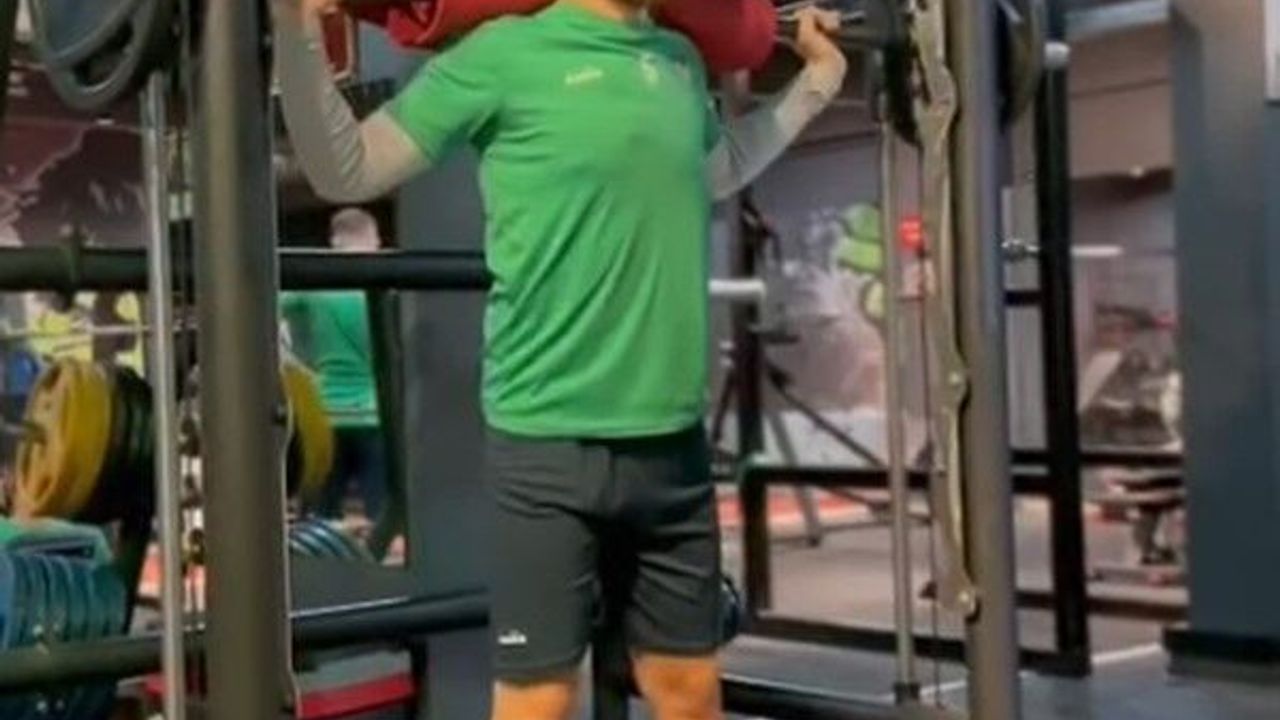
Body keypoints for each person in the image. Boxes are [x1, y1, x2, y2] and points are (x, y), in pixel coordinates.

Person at [273, 0, 847, 717]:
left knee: (689, 694)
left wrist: (816, 82)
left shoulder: (675, 60)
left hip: (671, 448)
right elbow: (348, 170)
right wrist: (296, 30)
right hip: (547, 449)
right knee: (538, 699)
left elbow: (717, 167)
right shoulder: (500, 55)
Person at [280, 208, 387, 522]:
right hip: (374, 416)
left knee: (318, 521)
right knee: (383, 517)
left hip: (326, 415)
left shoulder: (315, 287)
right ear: (373, 239)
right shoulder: (388, 284)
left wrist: (297, 366)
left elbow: (267, 312)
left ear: (335, 242)